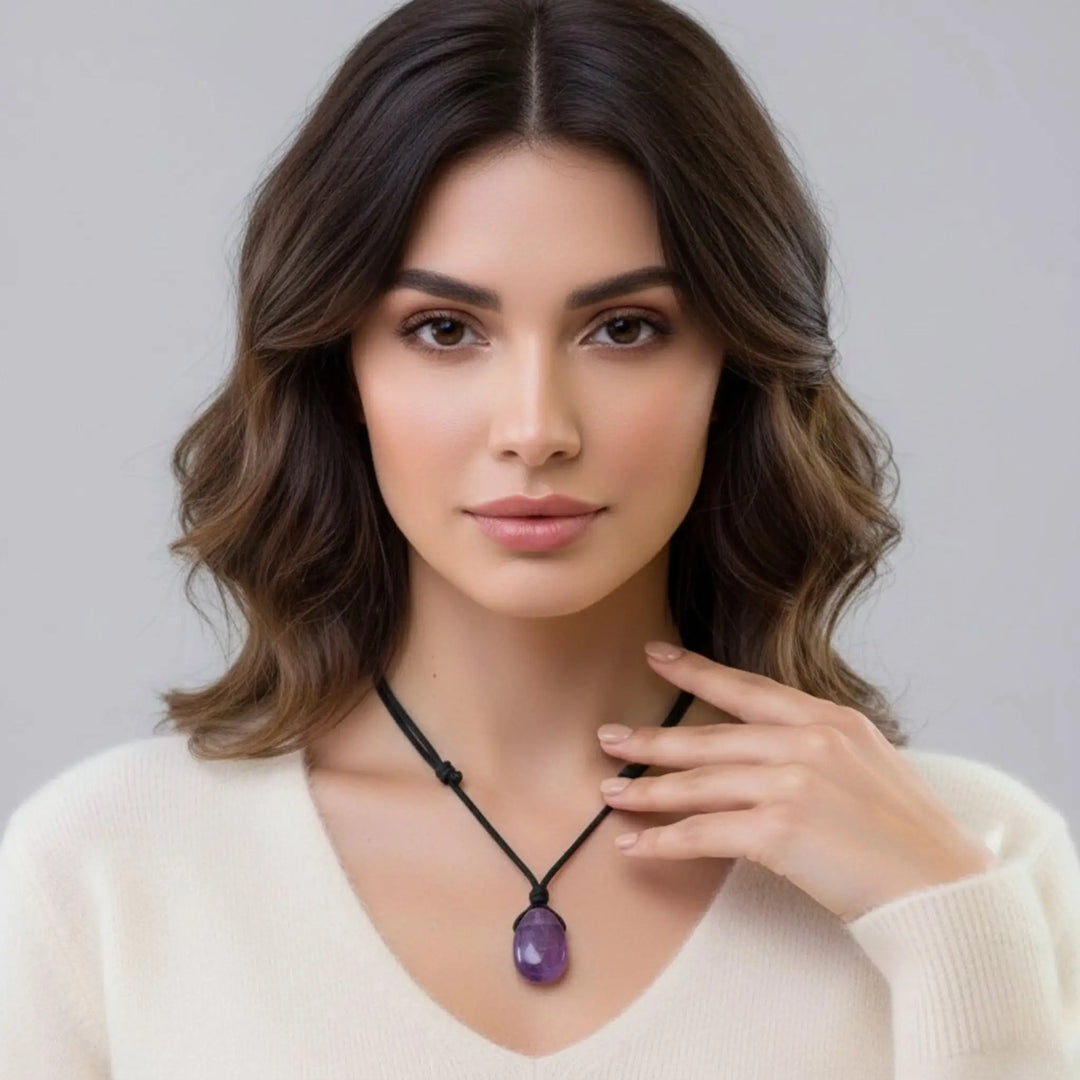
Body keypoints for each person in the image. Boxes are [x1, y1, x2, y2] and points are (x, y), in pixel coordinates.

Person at [2, 0, 1077, 1076]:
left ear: (735, 372)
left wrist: (949, 924)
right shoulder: (105, 871)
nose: (535, 430)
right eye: (444, 330)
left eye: (624, 329)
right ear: (342, 374)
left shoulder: (975, 861)